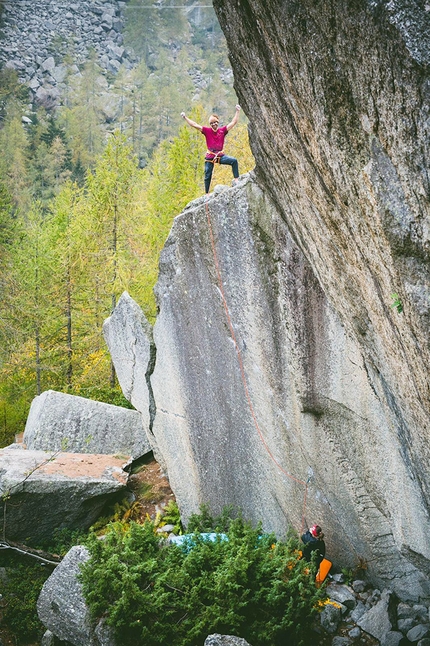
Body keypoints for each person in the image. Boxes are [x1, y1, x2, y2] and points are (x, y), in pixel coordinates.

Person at [181, 105, 241, 194]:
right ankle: (207, 193)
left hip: (220, 155)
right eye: (212, 123)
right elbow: (194, 125)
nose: (214, 124)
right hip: (210, 156)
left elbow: (233, 122)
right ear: (210, 124)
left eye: (215, 122)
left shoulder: (222, 130)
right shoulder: (207, 131)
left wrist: (237, 111)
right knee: (207, 174)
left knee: (234, 161)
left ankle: (236, 180)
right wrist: (185, 117)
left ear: (218, 122)